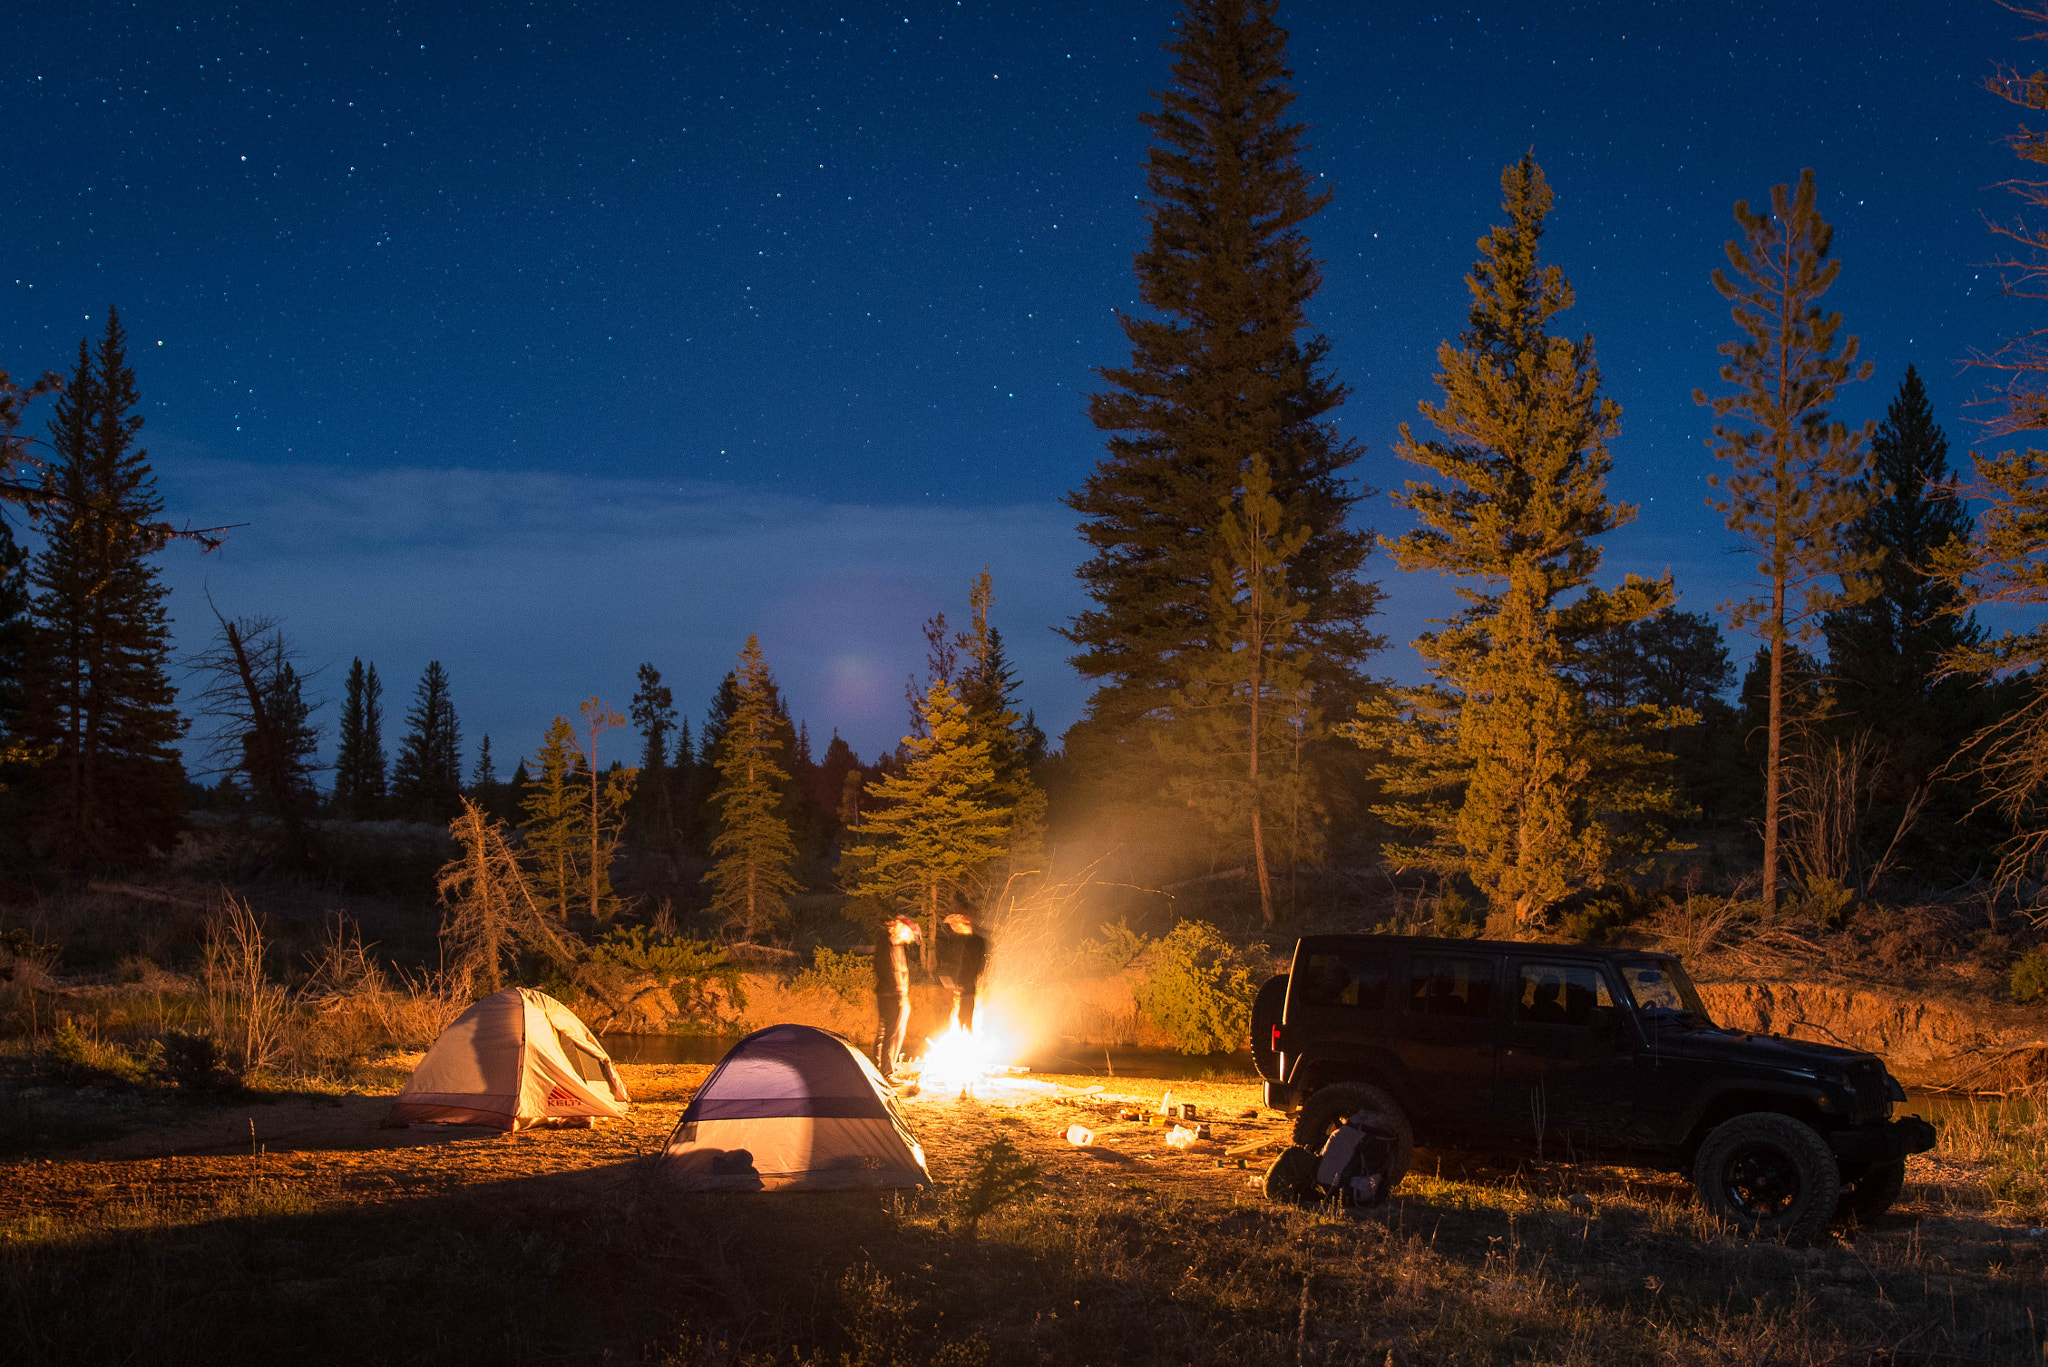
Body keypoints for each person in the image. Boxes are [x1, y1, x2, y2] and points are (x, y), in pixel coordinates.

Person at [873, 914, 919, 1081]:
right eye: (907, 932)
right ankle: (887, 1072)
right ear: (899, 928)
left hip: (896, 994)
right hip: (890, 995)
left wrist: (902, 991)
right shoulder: (886, 944)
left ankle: (883, 1068)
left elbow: (901, 971)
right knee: (891, 1033)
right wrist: (897, 991)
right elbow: (883, 969)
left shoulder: (895, 945)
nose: (909, 937)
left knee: (888, 1032)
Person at [936, 911, 987, 1034]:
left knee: (964, 1019)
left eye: (956, 924)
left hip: (967, 988)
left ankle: (967, 1040)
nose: (954, 928)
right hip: (965, 987)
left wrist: (963, 985)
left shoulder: (975, 942)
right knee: (962, 1017)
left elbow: (971, 966)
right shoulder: (972, 941)